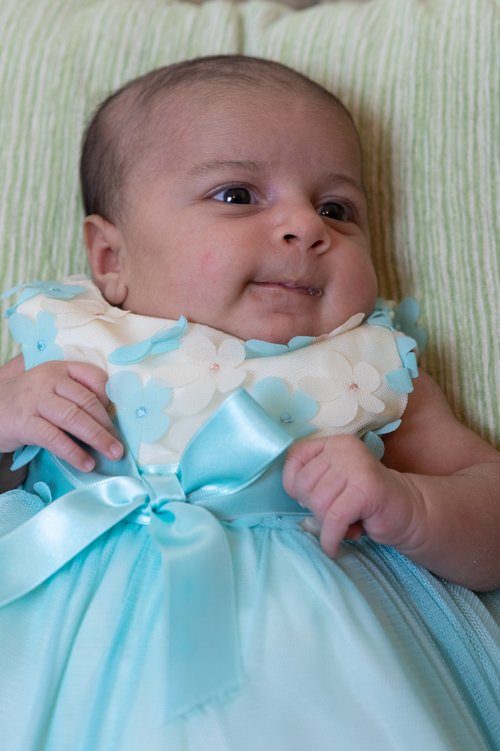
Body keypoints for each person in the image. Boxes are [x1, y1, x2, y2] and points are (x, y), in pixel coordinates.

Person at [0, 55, 498, 751]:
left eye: (336, 208)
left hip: (320, 660)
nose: (306, 226)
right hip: (61, 646)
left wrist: (409, 504)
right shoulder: (67, 351)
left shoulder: (367, 367)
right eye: (237, 195)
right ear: (111, 258)